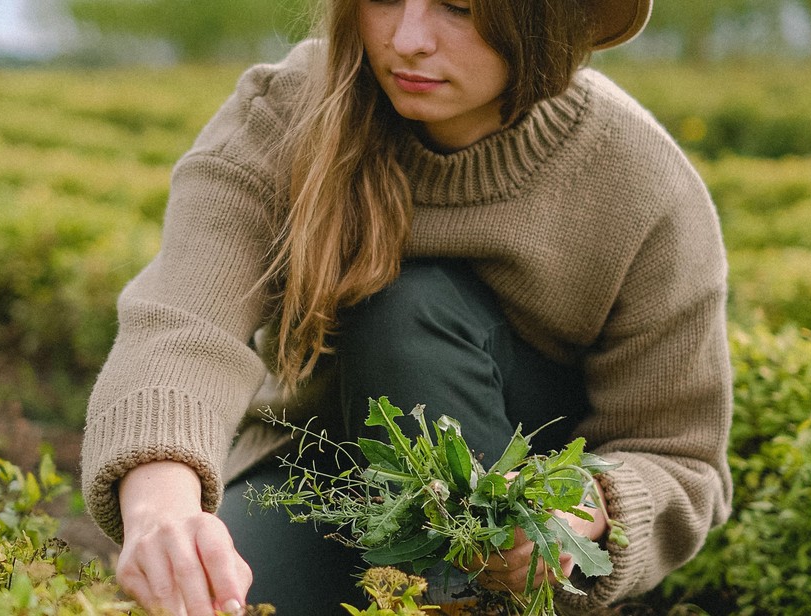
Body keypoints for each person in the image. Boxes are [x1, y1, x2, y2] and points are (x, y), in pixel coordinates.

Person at [81, 0, 733, 614]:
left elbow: (680, 452)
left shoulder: (643, 184)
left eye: (459, 7)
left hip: (512, 505)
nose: (407, 40)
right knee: (210, 591)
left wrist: (578, 508)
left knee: (408, 307)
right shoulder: (286, 113)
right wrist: (160, 508)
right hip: (324, 479)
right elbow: (185, 321)